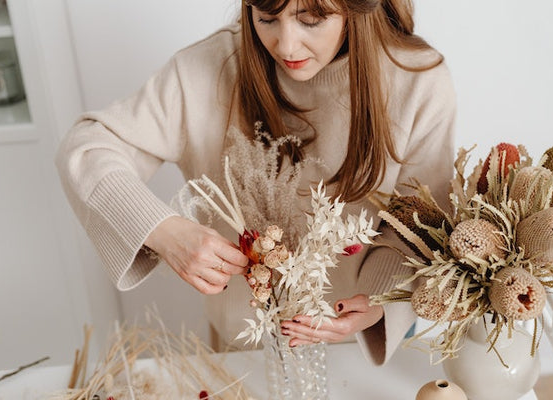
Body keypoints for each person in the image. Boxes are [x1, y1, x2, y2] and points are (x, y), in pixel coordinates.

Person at [56, 0, 455, 365]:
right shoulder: (207, 68)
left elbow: (419, 226)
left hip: (362, 348)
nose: (286, 45)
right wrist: (163, 229)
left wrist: (376, 301)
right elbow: (86, 148)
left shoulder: (416, 80)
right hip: (242, 349)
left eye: (311, 19)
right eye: (266, 16)